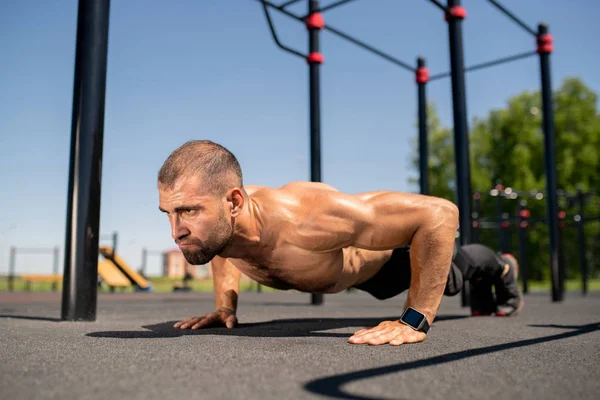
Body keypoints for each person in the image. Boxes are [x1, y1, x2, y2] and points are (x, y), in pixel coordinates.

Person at [157, 140, 523, 346]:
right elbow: (221, 245)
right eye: (169, 213)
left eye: (188, 212)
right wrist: (225, 306)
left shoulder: (304, 218)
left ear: (234, 202)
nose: (176, 231)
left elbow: (439, 214)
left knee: (458, 273)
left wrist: (414, 320)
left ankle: (504, 266)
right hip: (355, 278)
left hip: (394, 259)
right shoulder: (222, 221)